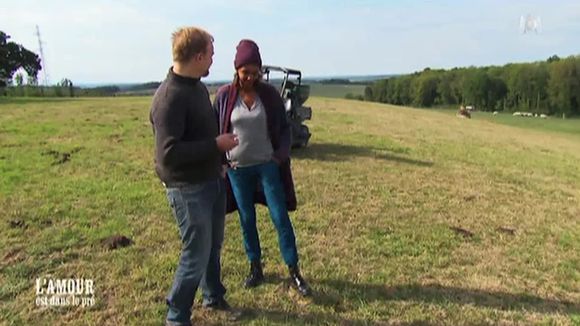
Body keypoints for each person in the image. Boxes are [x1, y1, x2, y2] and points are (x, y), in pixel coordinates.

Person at [150, 26, 239, 326]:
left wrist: (219, 158)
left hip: (212, 179)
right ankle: (176, 316)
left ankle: (212, 296)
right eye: (211, 55)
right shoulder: (169, 98)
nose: (214, 61)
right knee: (196, 252)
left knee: (212, 246)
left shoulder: (197, 87)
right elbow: (168, 154)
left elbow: (202, 135)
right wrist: (215, 145)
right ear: (198, 56)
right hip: (187, 190)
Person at [213, 39, 311, 297]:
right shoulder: (225, 96)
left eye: (255, 73)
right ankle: (255, 267)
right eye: (246, 72)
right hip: (238, 170)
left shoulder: (268, 95)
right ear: (237, 70)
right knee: (247, 219)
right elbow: (217, 129)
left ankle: (294, 271)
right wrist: (223, 161)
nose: (250, 78)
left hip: (267, 167)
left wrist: (279, 157)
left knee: (280, 218)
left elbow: (284, 130)